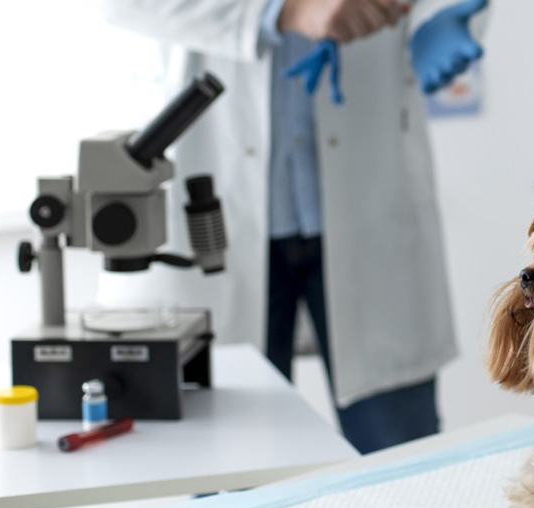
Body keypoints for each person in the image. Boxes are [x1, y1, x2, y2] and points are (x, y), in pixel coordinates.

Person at [98, 0, 486, 453]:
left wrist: (437, 17)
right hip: (220, 206)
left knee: (400, 456)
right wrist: (280, 10)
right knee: (230, 474)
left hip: (366, 201)